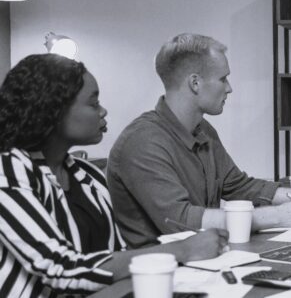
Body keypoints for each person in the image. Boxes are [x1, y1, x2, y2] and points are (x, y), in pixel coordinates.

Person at [0, 54, 227, 297]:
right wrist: (181, 250)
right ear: (53, 109)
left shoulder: (87, 175)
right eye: (93, 103)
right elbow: (61, 268)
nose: (103, 110)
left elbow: (115, 255)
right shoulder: (9, 173)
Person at [107, 34, 291, 248]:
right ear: (195, 83)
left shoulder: (203, 130)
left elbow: (240, 187)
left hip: (206, 260)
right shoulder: (142, 142)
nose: (229, 88)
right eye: (223, 79)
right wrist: (280, 216)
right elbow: (181, 221)